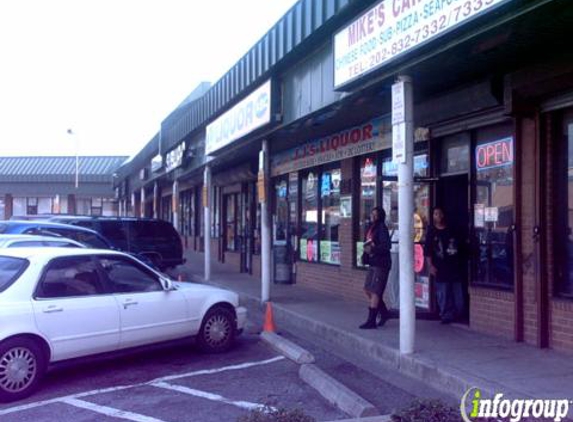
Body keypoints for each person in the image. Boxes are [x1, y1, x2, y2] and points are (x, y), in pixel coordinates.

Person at [424, 207, 465, 324]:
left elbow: (460, 246)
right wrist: (430, 265)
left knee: (457, 293)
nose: (438, 216)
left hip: (454, 266)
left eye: (440, 213)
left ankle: (458, 313)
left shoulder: (452, 230)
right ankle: (445, 314)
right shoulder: (432, 232)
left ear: (444, 215)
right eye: (435, 214)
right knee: (443, 292)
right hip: (439, 267)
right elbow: (428, 250)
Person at [360, 206, 392, 329]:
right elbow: (367, 244)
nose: (372, 216)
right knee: (367, 289)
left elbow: (386, 246)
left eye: (375, 214)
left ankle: (371, 320)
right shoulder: (371, 228)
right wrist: (365, 254)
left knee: (375, 291)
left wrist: (374, 248)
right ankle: (384, 312)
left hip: (381, 263)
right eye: (371, 213)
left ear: (380, 216)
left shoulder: (382, 228)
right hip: (372, 262)